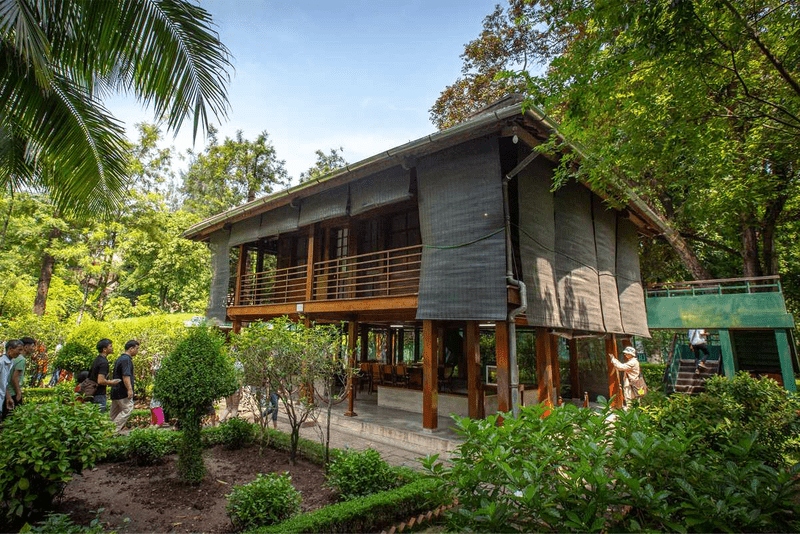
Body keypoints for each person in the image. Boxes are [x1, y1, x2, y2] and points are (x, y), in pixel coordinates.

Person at [109, 340, 138, 433]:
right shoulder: (126, 360)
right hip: (122, 391)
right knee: (127, 409)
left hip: (115, 390)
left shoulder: (120, 358)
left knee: (114, 414)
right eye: (136, 349)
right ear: (131, 349)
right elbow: (126, 376)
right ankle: (112, 431)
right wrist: (130, 389)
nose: (137, 351)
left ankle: (105, 432)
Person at [88, 339, 120, 413]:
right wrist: (112, 382)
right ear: (104, 349)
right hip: (99, 394)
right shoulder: (103, 363)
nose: (112, 348)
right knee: (100, 416)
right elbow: (100, 380)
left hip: (93, 392)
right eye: (110, 346)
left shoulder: (97, 359)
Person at [1, 340, 22, 421]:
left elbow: (4, 383)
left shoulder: (11, 362)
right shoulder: (2, 362)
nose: (20, 352)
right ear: (10, 349)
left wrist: (8, 398)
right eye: (19, 350)